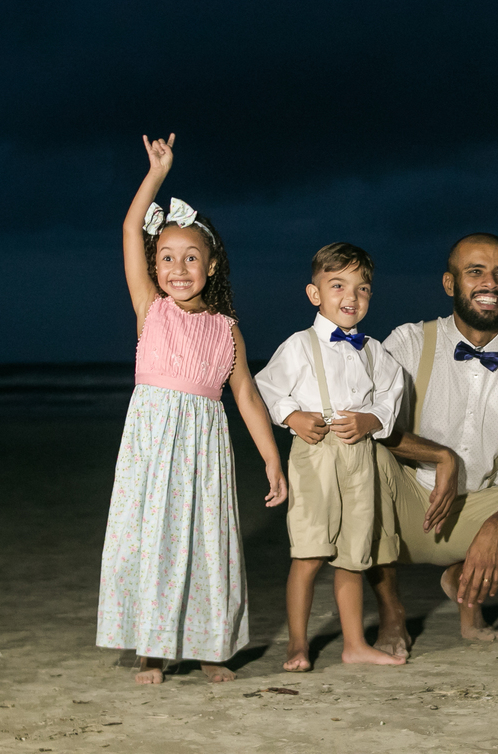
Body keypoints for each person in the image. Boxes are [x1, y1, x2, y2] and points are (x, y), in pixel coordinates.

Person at [96, 134, 287, 685]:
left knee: (209, 542)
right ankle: (151, 651)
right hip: (153, 446)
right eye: (167, 257)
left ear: (211, 265)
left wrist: (273, 460)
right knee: (152, 539)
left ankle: (210, 645)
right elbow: (132, 227)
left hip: (205, 446)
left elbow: (247, 395)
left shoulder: (227, 329)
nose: (179, 267)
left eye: (191, 257)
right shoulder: (150, 309)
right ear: (154, 266)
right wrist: (157, 173)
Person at [368, 233, 498, 656]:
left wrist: (497, 524)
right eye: (476, 272)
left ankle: (463, 581)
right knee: (356, 459)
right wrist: (440, 456)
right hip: (408, 505)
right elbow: (373, 424)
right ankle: (392, 614)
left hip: (481, 506)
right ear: (450, 284)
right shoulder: (408, 342)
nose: (491, 282)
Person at [255, 243, 408, 671]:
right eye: (338, 285)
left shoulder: (375, 351)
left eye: (362, 288)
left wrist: (370, 421)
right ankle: (297, 644)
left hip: (359, 457)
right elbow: (268, 387)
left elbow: (390, 397)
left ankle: (354, 643)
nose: (351, 297)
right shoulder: (299, 346)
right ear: (314, 293)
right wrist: (293, 416)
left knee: (353, 556)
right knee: (308, 552)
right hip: (316, 455)